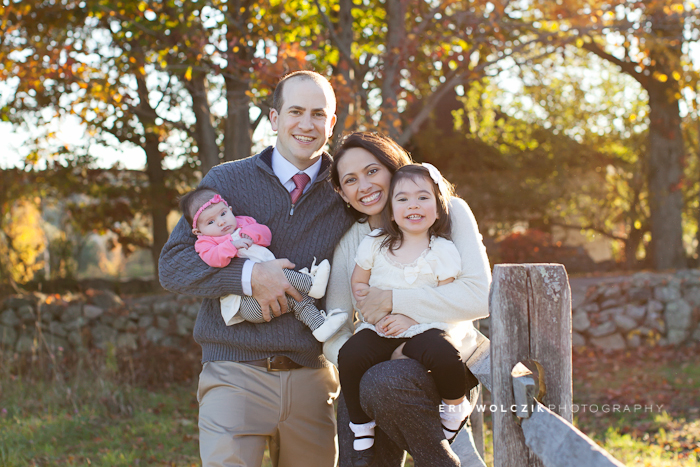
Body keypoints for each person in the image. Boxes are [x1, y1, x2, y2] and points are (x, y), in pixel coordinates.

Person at [159, 70, 355, 466]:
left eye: (318, 114)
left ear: (331, 124)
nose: (306, 124)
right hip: (234, 373)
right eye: (295, 111)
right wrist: (249, 277)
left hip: (313, 378)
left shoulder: (347, 190)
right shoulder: (226, 181)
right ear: (274, 118)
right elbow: (173, 267)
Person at [324, 132, 491, 467]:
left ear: (393, 168)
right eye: (351, 180)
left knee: (384, 381)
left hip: (447, 361)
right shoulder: (353, 242)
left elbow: (479, 297)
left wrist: (392, 300)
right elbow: (336, 325)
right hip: (375, 361)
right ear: (342, 193)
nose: (365, 186)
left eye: (373, 171)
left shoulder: (447, 211)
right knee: (369, 384)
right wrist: (387, 347)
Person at [178, 186, 348, 342]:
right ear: (198, 232)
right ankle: (312, 284)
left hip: (270, 294)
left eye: (223, 214)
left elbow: (266, 235)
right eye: (210, 222)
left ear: (230, 210)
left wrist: (251, 235)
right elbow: (213, 259)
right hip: (246, 303)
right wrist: (231, 246)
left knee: (297, 298)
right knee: (279, 275)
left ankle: (319, 326)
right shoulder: (206, 242)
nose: (221, 222)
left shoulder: (243, 223)